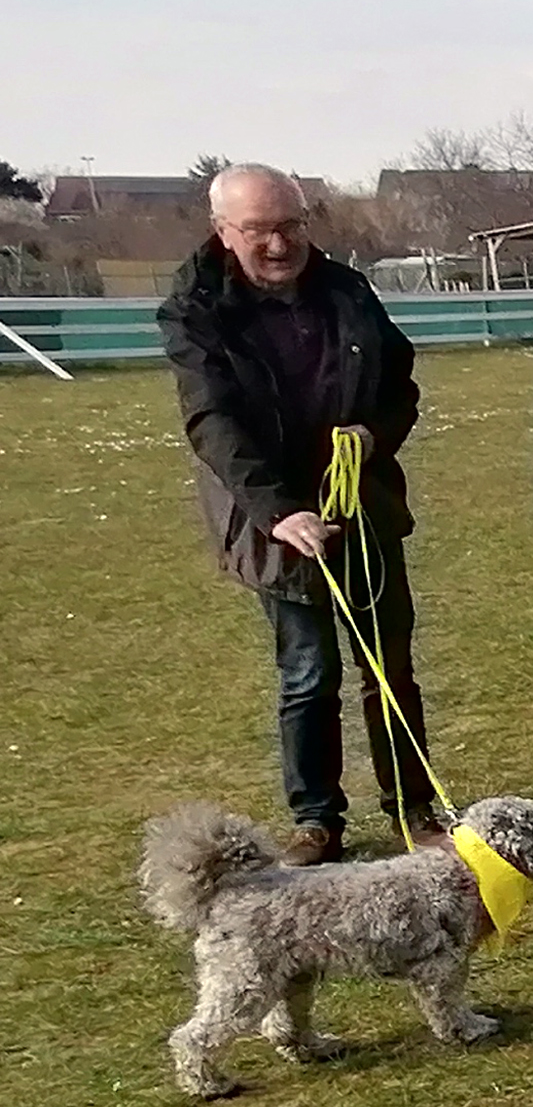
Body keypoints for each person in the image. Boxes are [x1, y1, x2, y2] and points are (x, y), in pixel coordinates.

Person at [158, 164, 429, 865]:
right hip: (275, 518)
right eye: (259, 230)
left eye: (291, 225)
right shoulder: (196, 309)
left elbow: (400, 383)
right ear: (223, 231)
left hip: (362, 504)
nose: (279, 244)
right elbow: (212, 421)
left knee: (389, 666)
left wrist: (375, 433)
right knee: (308, 671)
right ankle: (317, 821)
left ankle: (413, 805)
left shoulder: (347, 291)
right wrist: (280, 512)